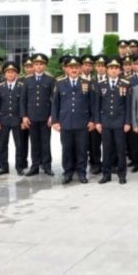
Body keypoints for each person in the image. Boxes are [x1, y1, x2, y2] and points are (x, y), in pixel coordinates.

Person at [51, 56, 95, 184]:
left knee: (82, 149)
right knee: (67, 149)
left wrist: (92, 120)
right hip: (66, 122)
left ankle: (82, 173)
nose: (74, 70)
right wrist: (55, 121)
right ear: (67, 69)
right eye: (71, 67)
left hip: (82, 122)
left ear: (80, 69)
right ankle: (67, 173)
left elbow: (92, 104)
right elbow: (55, 104)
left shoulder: (87, 83)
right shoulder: (59, 83)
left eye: (76, 67)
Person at [94, 57, 131, 184]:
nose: (113, 70)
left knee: (120, 150)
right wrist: (97, 122)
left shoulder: (125, 84)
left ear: (120, 70)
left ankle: (122, 175)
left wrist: (127, 122)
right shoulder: (101, 85)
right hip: (105, 122)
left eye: (116, 68)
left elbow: (128, 105)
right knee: (107, 149)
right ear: (107, 70)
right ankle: (106, 174)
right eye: (111, 68)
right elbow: (97, 106)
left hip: (120, 122)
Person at [21, 53, 55, 176]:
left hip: (46, 117)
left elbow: (54, 100)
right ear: (33, 66)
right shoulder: (27, 80)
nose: (39, 66)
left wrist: (52, 116)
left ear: (45, 66)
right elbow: (23, 100)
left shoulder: (50, 80)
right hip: (31, 117)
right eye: (36, 64)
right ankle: (35, 166)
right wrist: (24, 116)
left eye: (41, 64)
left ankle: (47, 166)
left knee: (46, 142)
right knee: (34, 143)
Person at [0, 61, 26, 175]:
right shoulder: (0, 87)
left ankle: (19, 167)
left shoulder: (22, 86)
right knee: (2, 145)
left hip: (17, 121)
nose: (10, 74)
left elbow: (23, 104)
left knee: (19, 145)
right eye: (8, 72)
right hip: (3, 121)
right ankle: (3, 167)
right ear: (5, 74)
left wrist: (23, 119)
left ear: (16, 74)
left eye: (13, 72)